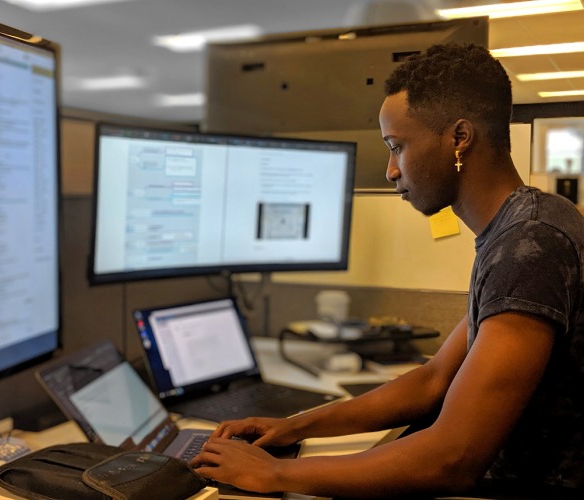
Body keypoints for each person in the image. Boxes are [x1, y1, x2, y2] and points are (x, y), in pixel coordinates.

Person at [190, 43, 584, 498]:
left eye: (397, 147)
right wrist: (295, 427)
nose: (391, 170)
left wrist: (273, 473)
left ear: (459, 138)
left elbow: (451, 459)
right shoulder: (522, 226)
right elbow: (434, 379)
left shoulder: (531, 246)